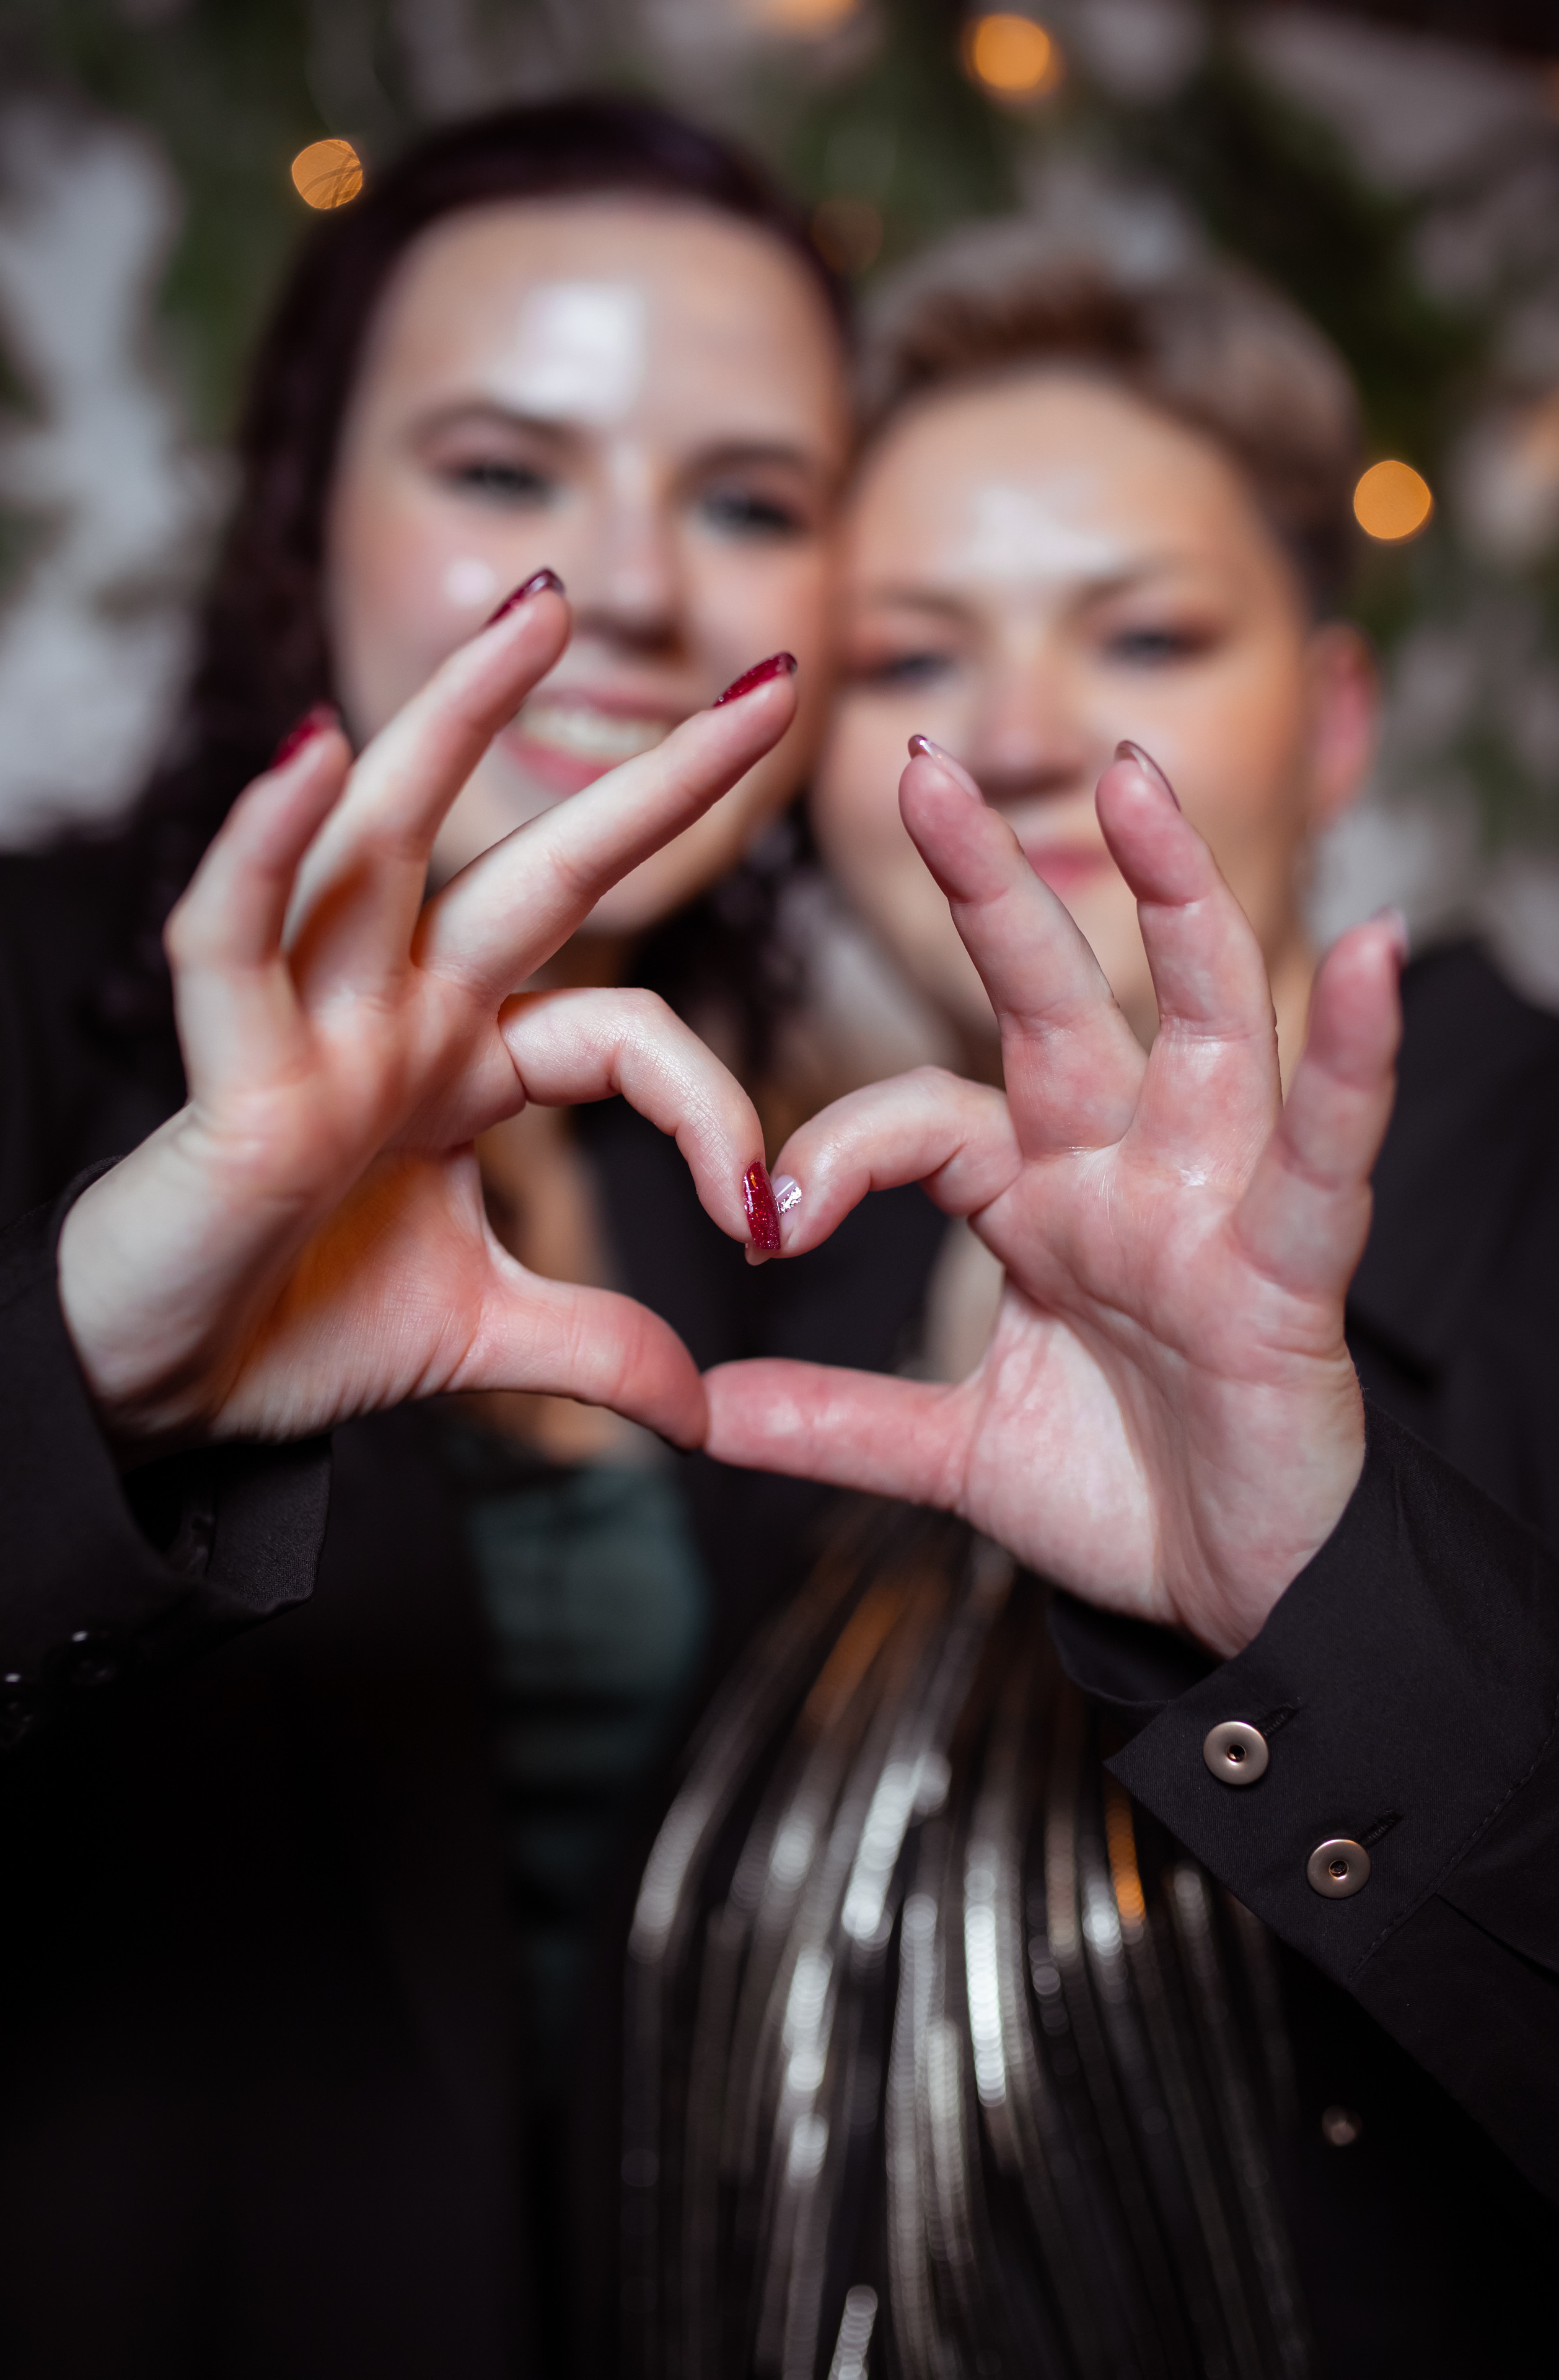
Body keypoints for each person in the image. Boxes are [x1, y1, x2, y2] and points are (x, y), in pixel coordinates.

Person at [0, 98, 949, 2378]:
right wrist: (93, 1390)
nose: (628, 582)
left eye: (747, 501)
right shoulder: (25, 1003)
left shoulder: (796, 1174)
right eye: (506, 473)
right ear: (302, 511)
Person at [692, 224, 1559, 2365]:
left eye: (1151, 631)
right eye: (909, 658)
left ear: (1339, 712)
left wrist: (1336, 1599)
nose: (1017, 733)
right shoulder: (767, 1269)